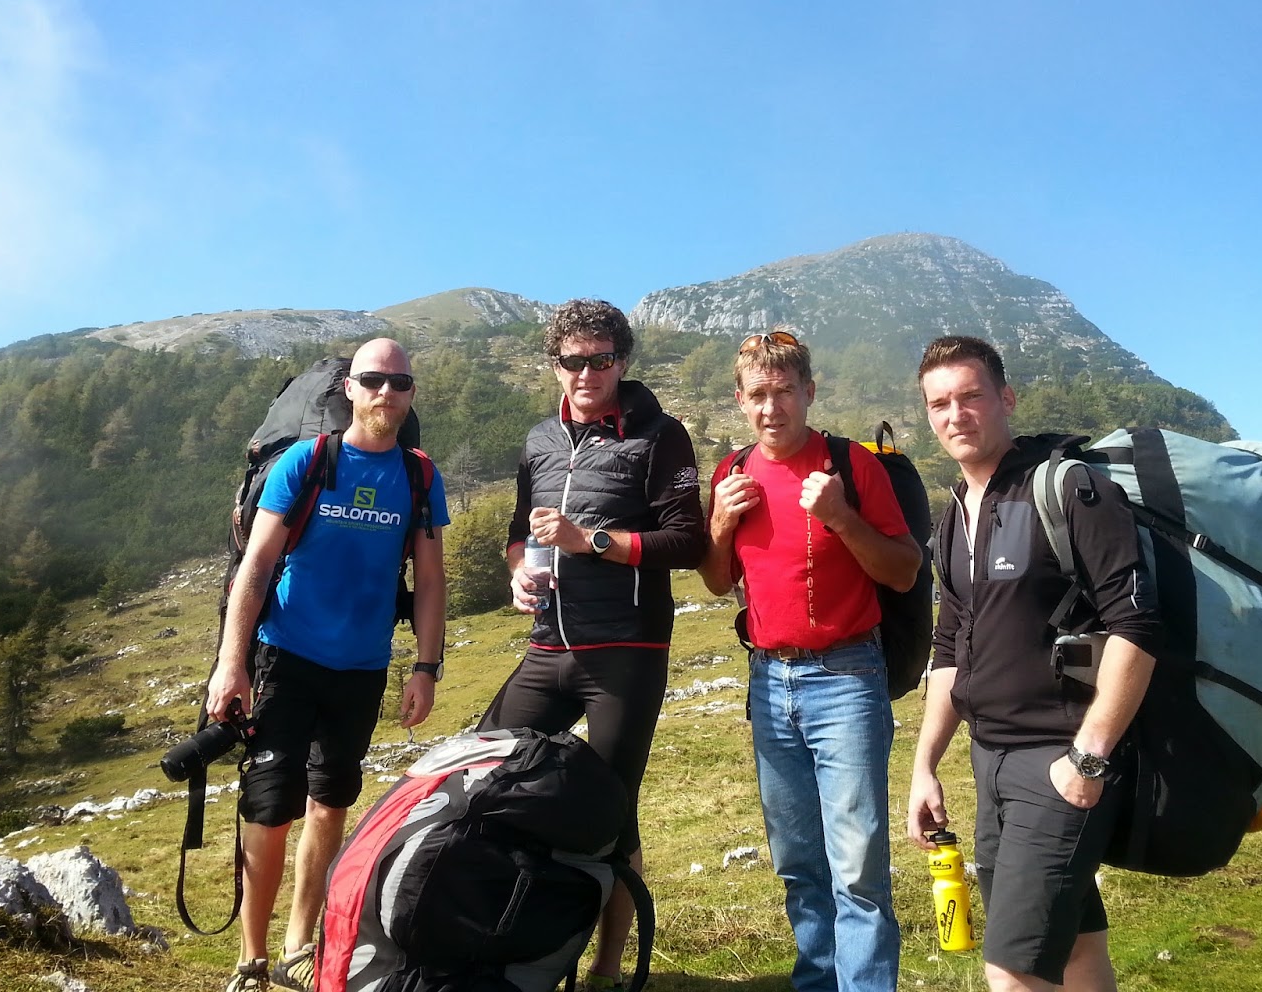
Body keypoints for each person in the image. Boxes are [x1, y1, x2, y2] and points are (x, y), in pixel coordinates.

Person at [906, 335, 1162, 992]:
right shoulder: (953, 518)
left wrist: (1088, 759)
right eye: (940, 403)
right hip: (988, 762)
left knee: (1012, 970)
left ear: (1006, 399)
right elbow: (949, 648)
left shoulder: (1068, 489)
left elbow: (1135, 624)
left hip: (1060, 761)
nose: (956, 414)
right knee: (1076, 950)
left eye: (971, 396)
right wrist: (925, 765)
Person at [206, 337, 449, 992]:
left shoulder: (421, 477)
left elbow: (429, 581)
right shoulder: (306, 463)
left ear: (411, 393)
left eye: (399, 384)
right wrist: (231, 664)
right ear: (349, 388)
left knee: (329, 802)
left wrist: (426, 667)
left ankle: (297, 947)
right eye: (373, 381)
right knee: (268, 804)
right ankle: (251, 958)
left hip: (363, 666)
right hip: (284, 654)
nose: (385, 394)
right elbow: (254, 569)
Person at [479, 299, 706, 992]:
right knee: (483, 772)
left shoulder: (659, 436)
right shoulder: (539, 438)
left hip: (625, 652)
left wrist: (593, 542)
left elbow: (688, 543)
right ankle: (499, 947)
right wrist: (519, 569)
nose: (586, 373)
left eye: (599, 360)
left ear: (622, 361)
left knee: (612, 814)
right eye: (572, 361)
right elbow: (519, 529)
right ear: (556, 364)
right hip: (548, 647)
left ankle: (606, 971)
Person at [700, 331, 921, 992]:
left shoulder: (853, 465)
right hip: (769, 680)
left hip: (848, 678)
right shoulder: (731, 474)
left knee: (856, 865)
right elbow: (716, 582)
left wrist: (843, 519)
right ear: (741, 401)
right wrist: (717, 526)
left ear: (809, 393)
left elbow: (906, 572)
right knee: (798, 860)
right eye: (759, 396)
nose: (773, 408)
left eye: (785, 392)